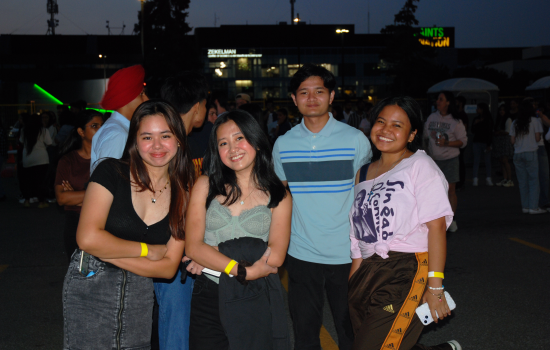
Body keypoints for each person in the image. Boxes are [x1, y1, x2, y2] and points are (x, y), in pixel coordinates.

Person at [62, 100, 195, 349]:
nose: (156, 146)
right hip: (91, 283)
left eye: (165, 135)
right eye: (147, 137)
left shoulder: (184, 192)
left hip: (139, 293)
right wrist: (148, 250)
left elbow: (168, 269)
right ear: (135, 141)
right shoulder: (110, 172)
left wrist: (105, 250)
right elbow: (87, 238)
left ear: (178, 139)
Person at [348, 96, 461, 350]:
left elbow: (436, 227)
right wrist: (354, 280)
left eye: (397, 125)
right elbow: (359, 232)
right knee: (385, 341)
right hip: (367, 271)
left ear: (412, 135)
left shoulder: (420, 165)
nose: (386, 130)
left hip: (405, 268)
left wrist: (434, 287)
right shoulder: (363, 172)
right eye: (381, 121)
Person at [272, 63, 372, 349]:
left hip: (347, 253)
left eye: (319, 91)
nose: (311, 97)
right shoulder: (283, 144)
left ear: (331, 96)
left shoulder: (355, 140)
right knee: (304, 331)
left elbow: (365, 196)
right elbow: (281, 195)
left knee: (350, 329)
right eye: (304, 92)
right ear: (293, 99)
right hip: (301, 253)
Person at [185, 110, 292, 349]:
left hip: (252, 295)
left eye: (239, 138)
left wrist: (212, 252)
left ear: (256, 140)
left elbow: (275, 256)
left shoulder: (278, 195)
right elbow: (192, 246)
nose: (233, 148)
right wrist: (245, 270)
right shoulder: (204, 185)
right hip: (209, 292)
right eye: (223, 143)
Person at [152, 71, 208, 350]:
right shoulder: (171, 145)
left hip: (172, 248)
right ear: (197, 106)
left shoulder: (156, 142)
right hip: (175, 249)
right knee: (176, 328)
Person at [55, 110, 104, 262]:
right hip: (76, 224)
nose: (100, 130)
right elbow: (62, 198)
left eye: (103, 126)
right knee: (79, 275)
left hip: (104, 224)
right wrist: (99, 195)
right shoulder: (68, 161)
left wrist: (78, 195)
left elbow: (118, 195)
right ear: (81, 132)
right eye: (94, 126)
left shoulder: (109, 158)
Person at [90, 64, 148, 173]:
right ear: (127, 98)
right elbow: (108, 181)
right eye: (142, 94)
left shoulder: (119, 129)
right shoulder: (118, 134)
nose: (146, 99)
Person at [424, 91, 467, 233]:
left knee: (450, 190)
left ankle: (451, 219)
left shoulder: (455, 121)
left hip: (450, 159)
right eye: (437, 99)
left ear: (448, 102)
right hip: (434, 160)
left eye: (441, 99)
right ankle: (435, 219)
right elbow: (425, 137)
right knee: (435, 191)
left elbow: (463, 142)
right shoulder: (431, 117)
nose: (438, 101)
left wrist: (447, 143)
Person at [509, 101, 545, 214]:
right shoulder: (535, 121)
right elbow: (538, 138)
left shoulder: (515, 122)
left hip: (518, 153)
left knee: (522, 181)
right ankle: (533, 207)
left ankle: (525, 206)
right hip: (531, 152)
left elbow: (512, 140)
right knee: (533, 180)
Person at [19, 113, 53, 208]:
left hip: (27, 158)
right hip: (41, 158)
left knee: (27, 180)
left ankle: (27, 200)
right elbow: (49, 143)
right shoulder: (44, 130)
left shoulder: (24, 130)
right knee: (41, 181)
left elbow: (21, 142)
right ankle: (41, 202)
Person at [471, 103, 494, 186]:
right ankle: (476, 179)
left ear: (482, 109)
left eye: (478, 108)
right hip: (477, 142)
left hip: (485, 142)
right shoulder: (476, 119)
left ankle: (487, 178)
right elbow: (472, 131)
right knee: (477, 161)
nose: (477, 110)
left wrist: (489, 144)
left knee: (487, 161)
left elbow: (490, 132)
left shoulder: (488, 119)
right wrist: (475, 124)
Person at [493, 105, 514, 187]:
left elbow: (508, 132)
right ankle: (505, 179)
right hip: (500, 141)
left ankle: (510, 179)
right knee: (502, 161)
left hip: (505, 141)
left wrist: (499, 132)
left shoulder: (508, 119)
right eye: (500, 110)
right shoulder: (499, 119)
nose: (502, 111)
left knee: (505, 160)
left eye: (503, 110)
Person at [455, 96, 469, 190]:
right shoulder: (456, 114)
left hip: (459, 142)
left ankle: (461, 182)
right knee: (458, 162)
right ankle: (459, 182)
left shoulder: (462, 115)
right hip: (456, 142)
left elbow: (465, 128)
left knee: (460, 162)